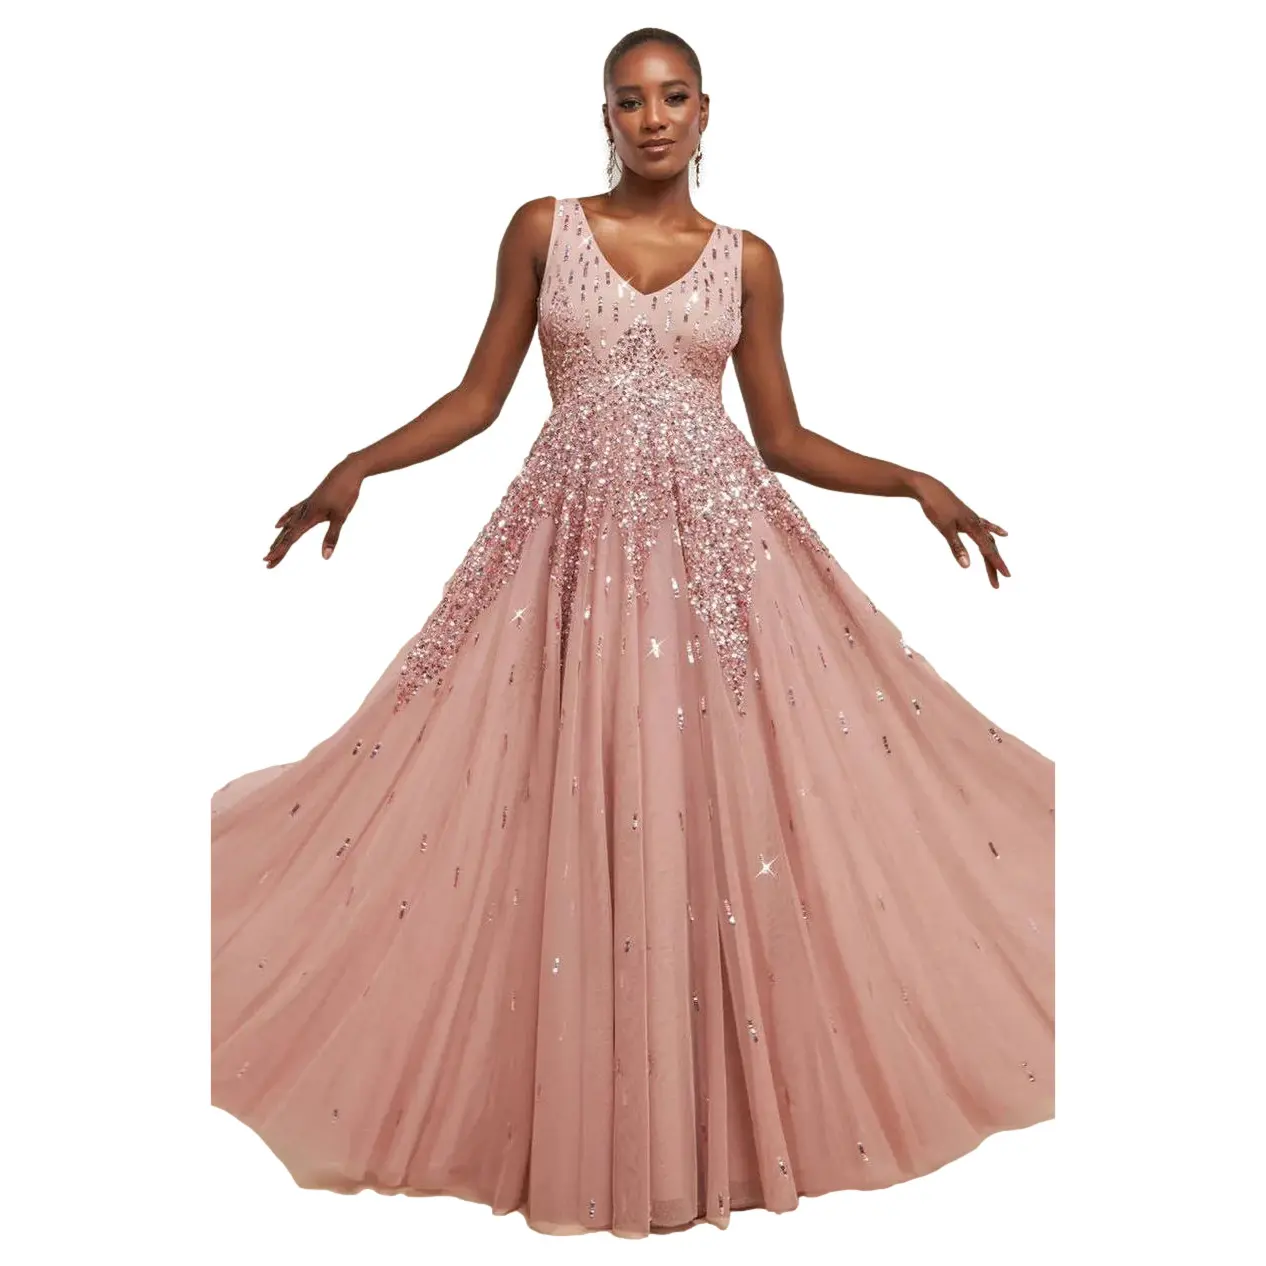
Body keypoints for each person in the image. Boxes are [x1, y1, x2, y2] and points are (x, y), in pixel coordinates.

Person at [212, 26, 1054, 1239]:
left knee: (719, 804)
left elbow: (783, 438)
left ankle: (718, 1121)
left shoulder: (750, 261)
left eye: (672, 97)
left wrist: (915, 482)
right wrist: (360, 464)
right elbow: (480, 398)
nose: (652, 118)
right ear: (604, 115)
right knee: (547, 791)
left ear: (707, 112)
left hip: (722, 570)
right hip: (568, 566)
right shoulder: (542, 229)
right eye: (628, 99)